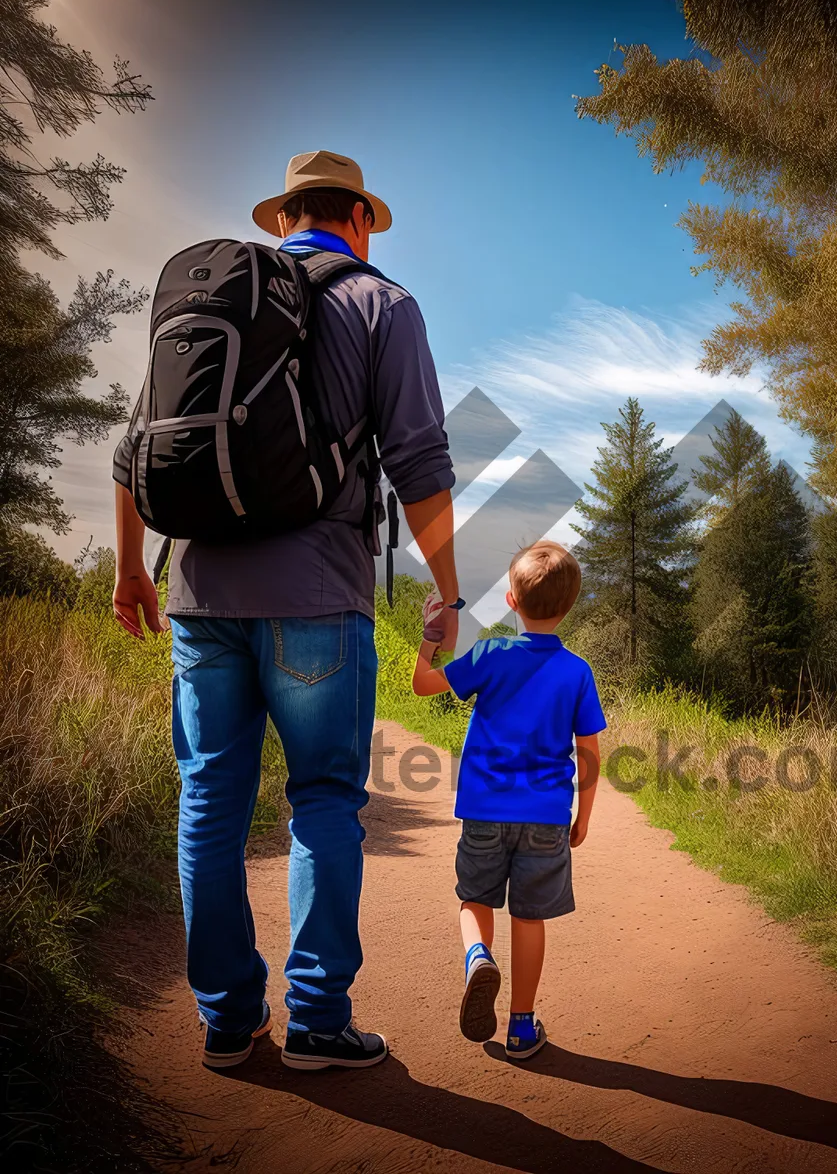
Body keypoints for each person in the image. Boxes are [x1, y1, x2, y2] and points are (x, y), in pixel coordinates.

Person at [112, 150, 461, 1072]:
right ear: (356, 218)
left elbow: (132, 452)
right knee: (323, 805)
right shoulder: (382, 304)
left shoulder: (210, 305)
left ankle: (227, 1020)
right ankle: (316, 1021)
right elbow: (419, 462)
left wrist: (129, 573)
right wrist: (451, 592)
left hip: (200, 598)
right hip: (316, 594)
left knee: (210, 806)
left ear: (282, 220)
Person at [411, 541, 605, 1059]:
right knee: (530, 917)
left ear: (512, 601)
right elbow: (588, 754)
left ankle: (478, 958)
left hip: (483, 811)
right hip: (544, 817)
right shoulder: (576, 672)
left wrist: (430, 641)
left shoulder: (491, 655)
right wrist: (582, 816)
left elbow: (422, 686)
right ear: (569, 605)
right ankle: (521, 1026)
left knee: (475, 900)